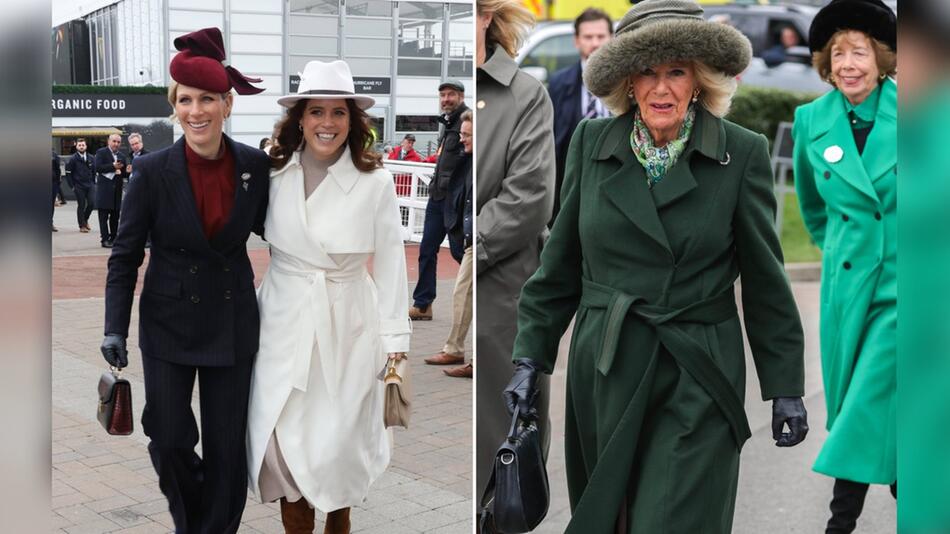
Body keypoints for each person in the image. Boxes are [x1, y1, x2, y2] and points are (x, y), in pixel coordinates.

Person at [502, 1, 809, 532]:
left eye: (676, 72)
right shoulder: (590, 144)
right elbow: (559, 266)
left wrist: (785, 386)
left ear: (700, 80)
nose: (660, 88)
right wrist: (531, 359)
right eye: (646, 72)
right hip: (606, 366)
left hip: (698, 368)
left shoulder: (741, 153)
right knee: (611, 519)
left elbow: (765, 280)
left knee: (672, 520)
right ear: (626, 81)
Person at [100, 27, 268, 533]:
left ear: (227, 104)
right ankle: (196, 520)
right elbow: (124, 256)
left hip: (232, 321)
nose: (197, 111)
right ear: (176, 106)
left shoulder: (255, 168)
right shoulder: (152, 171)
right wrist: (114, 326)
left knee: (226, 445)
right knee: (169, 437)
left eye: (208, 100)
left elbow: (289, 232)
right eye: (186, 100)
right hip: (168, 324)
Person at [246, 60, 411, 534]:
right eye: (316, 111)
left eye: (338, 113)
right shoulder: (273, 174)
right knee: (285, 457)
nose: (327, 123)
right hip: (281, 322)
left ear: (352, 121)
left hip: (348, 330)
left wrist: (394, 344)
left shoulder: (375, 182)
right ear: (299, 117)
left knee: (337, 456)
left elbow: (393, 264)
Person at [792, 0, 897, 531]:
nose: (848, 63)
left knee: (865, 405)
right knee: (880, 414)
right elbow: (812, 208)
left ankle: (840, 523)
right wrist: (839, 254)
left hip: (907, 291)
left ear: (881, 59)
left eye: (859, 51)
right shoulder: (811, 120)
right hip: (845, 293)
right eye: (838, 53)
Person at [474, 0, 556, 497]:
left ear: (487, 16)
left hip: (502, 300)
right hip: (465, 295)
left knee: (502, 471)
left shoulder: (525, 94)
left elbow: (529, 197)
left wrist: (469, 248)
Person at [407, 79, 469, 322]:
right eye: (442, 95)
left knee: (459, 252)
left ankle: (477, 296)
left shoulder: (467, 121)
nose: (446, 99)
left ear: (461, 96)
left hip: (454, 198)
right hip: (437, 195)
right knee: (427, 249)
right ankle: (423, 304)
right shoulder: (448, 121)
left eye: (451, 94)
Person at [547, 7, 613, 225]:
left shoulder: (628, 81)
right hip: (572, 181)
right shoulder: (559, 83)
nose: (595, 43)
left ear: (611, 38)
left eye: (601, 36)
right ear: (577, 41)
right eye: (588, 37)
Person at [429, 110, 474, 377]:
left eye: (467, 136)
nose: (462, 140)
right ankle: (455, 348)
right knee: (465, 293)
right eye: (462, 135)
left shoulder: (478, 162)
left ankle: (456, 349)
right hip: (469, 238)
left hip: (480, 240)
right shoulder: (464, 159)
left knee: (464, 292)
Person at [93, 133, 128, 247]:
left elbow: (123, 173)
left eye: (118, 142)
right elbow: (97, 168)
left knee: (115, 217)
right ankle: (104, 239)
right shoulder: (101, 152)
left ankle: (114, 238)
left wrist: (126, 171)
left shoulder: (122, 156)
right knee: (103, 217)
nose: (116, 144)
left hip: (117, 191)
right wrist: (113, 166)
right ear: (109, 141)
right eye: (114, 141)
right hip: (104, 190)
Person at [65, 138, 96, 233]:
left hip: (90, 185)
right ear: (76, 146)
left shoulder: (91, 158)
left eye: (83, 145)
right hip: (78, 186)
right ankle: (82, 225)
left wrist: (93, 182)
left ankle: (85, 220)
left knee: (91, 203)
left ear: (86, 146)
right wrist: (72, 187)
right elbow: (68, 174)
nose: (81, 147)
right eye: (80, 145)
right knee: (81, 205)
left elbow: (94, 171)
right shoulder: (73, 159)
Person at [52, 150, 61, 232]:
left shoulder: (54, 155)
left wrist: (58, 182)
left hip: (52, 182)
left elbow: (58, 169)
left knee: (51, 204)